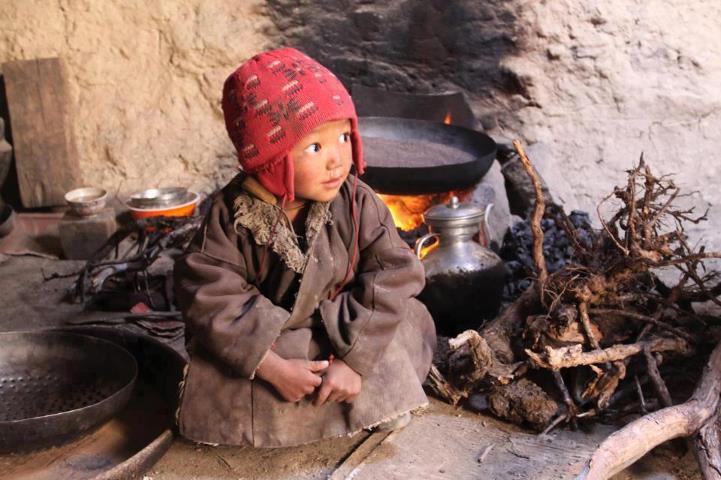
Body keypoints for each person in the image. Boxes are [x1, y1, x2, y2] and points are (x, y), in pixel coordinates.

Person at [174, 47, 436, 448]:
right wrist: (272, 367)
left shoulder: (357, 201)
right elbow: (210, 296)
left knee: (409, 322)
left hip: (345, 330)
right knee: (213, 366)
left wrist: (354, 361)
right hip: (274, 341)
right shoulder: (232, 214)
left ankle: (358, 390)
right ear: (267, 158)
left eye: (345, 137)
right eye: (314, 147)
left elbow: (394, 274)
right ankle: (356, 404)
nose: (337, 161)